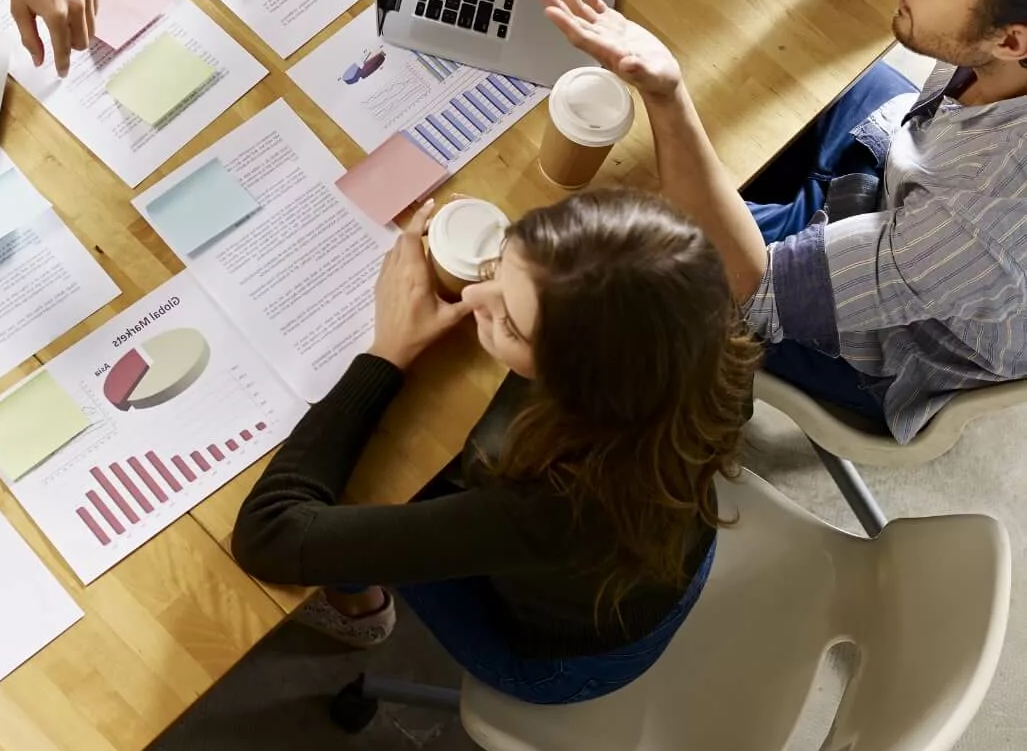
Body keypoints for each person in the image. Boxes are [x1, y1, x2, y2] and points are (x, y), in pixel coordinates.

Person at [540, 0, 1027, 443]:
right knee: (750, 72)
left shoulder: (978, 223)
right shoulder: (1007, 28)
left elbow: (754, 289)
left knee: (602, 248)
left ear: (1010, 41)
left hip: (883, 333)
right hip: (903, 157)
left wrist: (667, 95)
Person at [231, 193, 755, 702]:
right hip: (656, 568)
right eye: (498, 263)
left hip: (564, 661)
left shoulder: (554, 505)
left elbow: (268, 536)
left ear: (576, 387)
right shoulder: (700, 337)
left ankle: (358, 612)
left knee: (384, 490)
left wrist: (388, 350)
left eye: (509, 322)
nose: (475, 298)